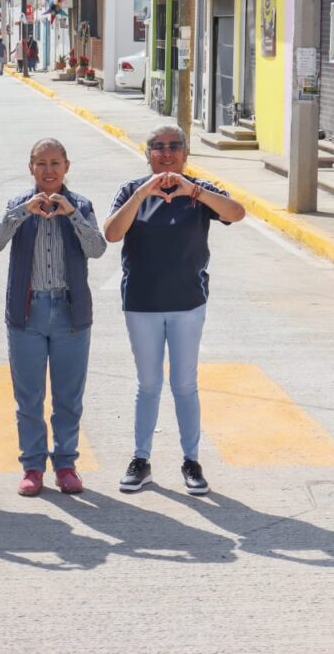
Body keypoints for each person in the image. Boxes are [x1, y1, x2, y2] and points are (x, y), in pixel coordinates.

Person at [102, 124, 245, 496]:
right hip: (141, 304)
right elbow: (112, 233)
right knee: (148, 385)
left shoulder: (199, 191)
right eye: (157, 147)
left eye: (174, 147)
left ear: (185, 152)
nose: (166, 153)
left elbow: (237, 212)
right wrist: (141, 195)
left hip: (187, 304)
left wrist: (192, 190)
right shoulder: (131, 190)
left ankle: (191, 461)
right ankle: (141, 460)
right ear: (146, 153)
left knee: (184, 384)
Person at [0, 139, 107, 496]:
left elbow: (97, 249)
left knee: (69, 397)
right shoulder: (17, 205)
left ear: (67, 166)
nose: (49, 170)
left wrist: (73, 214)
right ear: (31, 167)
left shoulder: (81, 204)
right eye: (42, 164)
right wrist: (22, 211)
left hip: (70, 314)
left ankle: (66, 464)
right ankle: (33, 466)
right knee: (29, 397)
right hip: (28, 312)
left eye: (55, 163)